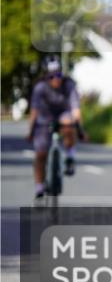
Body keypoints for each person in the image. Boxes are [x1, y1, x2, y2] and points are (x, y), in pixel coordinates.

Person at [26, 56, 84, 201]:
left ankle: (70, 156)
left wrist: (80, 128)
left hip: (63, 114)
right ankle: (39, 186)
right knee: (40, 155)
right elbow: (34, 111)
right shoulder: (40, 87)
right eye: (51, 76)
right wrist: (31, 131)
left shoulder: (69, 85)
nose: (55, 79)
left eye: (58, 75)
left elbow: (75, 109)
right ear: (46, 76)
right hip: (44, 118)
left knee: (68, 124)